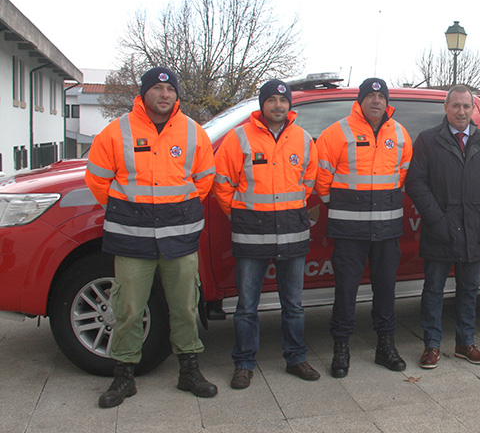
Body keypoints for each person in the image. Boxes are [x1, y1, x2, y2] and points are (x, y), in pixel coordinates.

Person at [85, 67, 217, 408]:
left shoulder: (193, 132)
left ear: (176, 94)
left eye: (170, 89)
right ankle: (124, 375)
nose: (164, 95)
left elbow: (203, 181)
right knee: (128, 307)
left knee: (186, 306)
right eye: (157, 89)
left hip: (180, 237)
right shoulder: (116, 132)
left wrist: (176, 210)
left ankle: (189, 370)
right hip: (131, 237)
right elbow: (98, 181)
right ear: (143, 94)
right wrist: (130, 210)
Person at [213, 80, 320, 387]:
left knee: (294, 304)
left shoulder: (302, 139)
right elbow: (222, 182)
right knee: (247, 306)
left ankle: (296, 358)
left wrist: (293, 207)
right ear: (262, 105)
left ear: (290, 105)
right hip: (250, 234)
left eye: (282, 100)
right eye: (271, 100)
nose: (277, 105)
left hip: (292, 232)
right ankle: (244, 363)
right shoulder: (239, 138)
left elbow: (308, 179)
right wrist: (239, 214)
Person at [315, 78, 413, 378]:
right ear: (360, 100)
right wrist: (346, 206)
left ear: (387, 102)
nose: (376, 101)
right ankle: (341, 348)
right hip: (349, 232)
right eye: (370, 95)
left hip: (386, 230)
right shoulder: (336, 133)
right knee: (345, 291)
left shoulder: (399, 134)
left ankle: (386, 346)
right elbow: (322, 180)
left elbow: (402, 173)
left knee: (386, 290)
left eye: (381, 96)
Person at [406, 85, 480, 369]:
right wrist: (437, 219)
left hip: (475, 229)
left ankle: (465, 343)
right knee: (434, 290)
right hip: (440, 229)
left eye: (466, 106)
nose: (461, 111)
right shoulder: (427, 141)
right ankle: (432, 345)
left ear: (472, 109)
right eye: (456, 106)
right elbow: (416, 183)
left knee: (469, 290)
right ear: (446, 108)